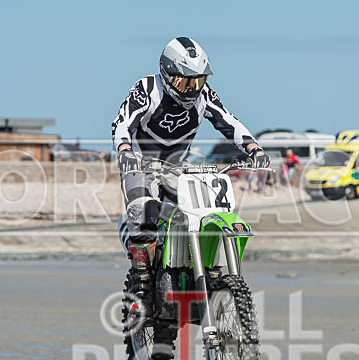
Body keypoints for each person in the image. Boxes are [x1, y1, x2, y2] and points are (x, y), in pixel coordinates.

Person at [111, 36, 269, 318]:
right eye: (186, 81)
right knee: (144, 214)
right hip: (140, 164)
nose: (193, 88)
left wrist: (253, 148)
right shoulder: (147, 89)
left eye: (198, 80)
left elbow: (227, 120)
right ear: (167, 74)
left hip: (178, 167)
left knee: (199, 214)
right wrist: (124, 150)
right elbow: (122, 122)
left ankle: (204, 275)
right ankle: (143, 292)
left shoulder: (204, 94)